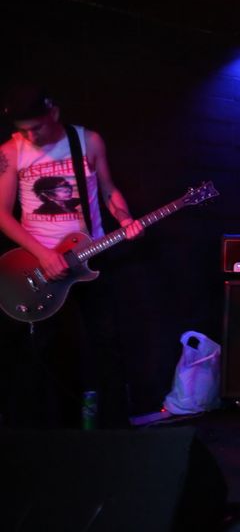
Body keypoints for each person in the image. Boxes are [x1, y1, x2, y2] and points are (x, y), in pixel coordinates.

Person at [0, 84, 143, 428]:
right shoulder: (11, 151)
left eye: (37, 127)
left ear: (54, 113)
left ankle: (114, 432)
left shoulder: (88, 141)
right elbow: (2, 213)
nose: (31, 136)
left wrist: (124, 218)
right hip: (38, 266)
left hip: (89, 256)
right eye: (23, 129)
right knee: (44, 352)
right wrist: (43, 254)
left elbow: (109, 191)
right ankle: (50, 433)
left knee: (107, 345)